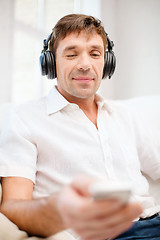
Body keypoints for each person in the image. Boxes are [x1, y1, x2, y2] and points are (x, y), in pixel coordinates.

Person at [0, 14, 160, 240]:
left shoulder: (125, 115)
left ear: (107, 62)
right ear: (51, 63)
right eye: (72, 54)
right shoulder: (24, 118)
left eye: (95, 54)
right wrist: (60, 211)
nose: (85, 65)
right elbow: (12, 206)